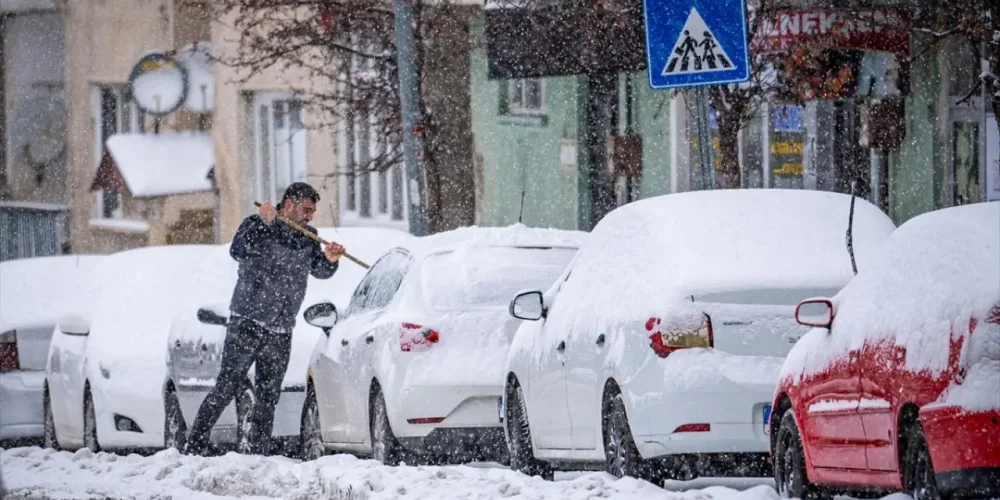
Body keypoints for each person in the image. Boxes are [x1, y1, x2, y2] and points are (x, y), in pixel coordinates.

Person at [182, 182, 345, 456]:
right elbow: (238, 250)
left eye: (313, 211)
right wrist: (264, 224)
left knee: (269, 396)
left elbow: (319, 270)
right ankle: (194, 446)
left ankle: (259, 454)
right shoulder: (256, 224)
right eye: (306, 209)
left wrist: (329, 260)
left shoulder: (308, 236)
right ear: (289, 204)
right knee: (227, 386)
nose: (309, 216)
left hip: (281, 328)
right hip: (247, 321)